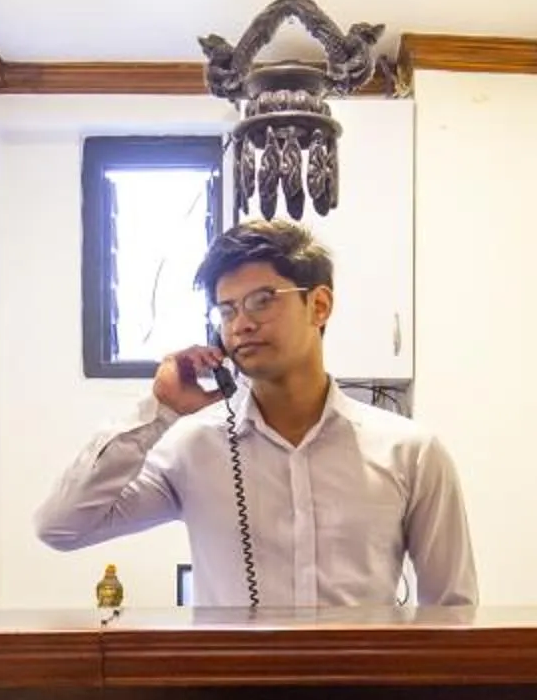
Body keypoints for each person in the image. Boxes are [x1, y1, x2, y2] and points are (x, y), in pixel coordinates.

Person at [35, 218, 478, 608]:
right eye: (227, 310)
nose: (241, 324)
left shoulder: (410, 453)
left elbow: (453, 609)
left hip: (364, 680)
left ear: (319, 305)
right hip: (229, 682)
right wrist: (159, 411)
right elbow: (61, 527)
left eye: (262, 300)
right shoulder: (193, 448)